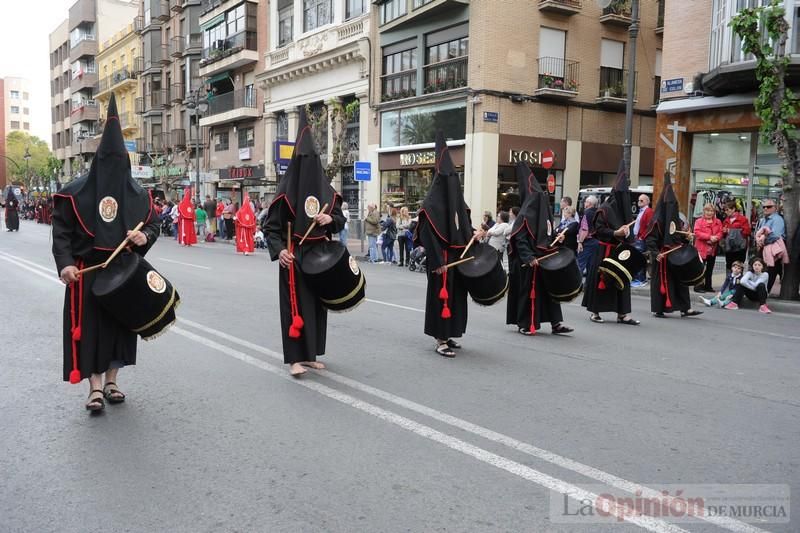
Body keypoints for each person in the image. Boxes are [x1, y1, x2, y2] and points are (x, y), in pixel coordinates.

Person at [51, 94, 161, 411]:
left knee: (120, 330)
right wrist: (65, 264)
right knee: (91, 330)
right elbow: (61, 232)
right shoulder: (76, 192)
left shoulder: (139, 195)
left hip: (124, 272)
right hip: (88, 271)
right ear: (98, 161)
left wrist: (143, 236)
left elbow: (152, 226)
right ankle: (95, 387)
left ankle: (112, 381)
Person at [264, 114, 346, 377]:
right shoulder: (285, 193)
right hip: (295, 254)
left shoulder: (327, 192)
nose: (309, 166)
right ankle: (294, 360)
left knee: (316, 306)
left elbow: (340, 221)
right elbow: (271, 228)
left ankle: (310, 355)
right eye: (304, 161)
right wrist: (281, 251)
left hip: (320, 254)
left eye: (313, 161)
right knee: (295, 306)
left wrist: (329, 218)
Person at [413, 131, 475, 358]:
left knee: (456, 298)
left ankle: (450, 334)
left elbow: (464, 227)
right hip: (441, 263)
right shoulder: (431, 206)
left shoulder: (459, 203)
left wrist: (474, 236)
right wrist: (438, 262)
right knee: (442, 300)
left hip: (457, 261)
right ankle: (440, 339)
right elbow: (429, 236)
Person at [507, 162, 574, 336]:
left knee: (550, 292)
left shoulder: (544, 216)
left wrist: (558, 240)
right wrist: (529, 258)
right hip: (529, 263)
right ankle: (525, 323)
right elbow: (520, 240)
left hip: (544, 259)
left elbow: (548, 238)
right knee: (528, 293)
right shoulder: (524, 216)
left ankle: (555, 323)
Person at [581, 162, 640, 325]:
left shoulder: (627, 211)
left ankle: (623, 314)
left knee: (622, 281)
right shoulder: (605, 209)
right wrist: (615, 233)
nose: (624, 198)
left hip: (621, 251)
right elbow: (598, 230)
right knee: (601, 280)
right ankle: (595, 311)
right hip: (604, 251)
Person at [645, 173, 703, 319]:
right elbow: (650, 239)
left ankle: (685, 308)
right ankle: (659, 308)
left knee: (681, 281)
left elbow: (677, 237)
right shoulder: (656, 220)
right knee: (661, 282)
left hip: (676, 256)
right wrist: (655, 252)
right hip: (662, 256)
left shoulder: (676, 219)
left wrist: (686, 238)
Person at [755, 199, 787, 293]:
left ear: (775, 208)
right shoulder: (763, 219)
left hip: (773, 251)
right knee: (760, 271)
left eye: (769, 207)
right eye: (764, 206)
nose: (765, 208)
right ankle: (760, 292)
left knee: (770, 272)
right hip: (763, 249)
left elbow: (776, 235)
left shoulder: (777, 219)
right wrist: (759, 241)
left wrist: (763, 240)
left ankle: (764, 293)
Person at [693, 203, 723, 292]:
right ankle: (698, 286)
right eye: (707, 210)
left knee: (710, 268)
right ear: (704, 211)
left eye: (711, 211)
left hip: (712, 249)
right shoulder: (698, 221)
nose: (709, 213)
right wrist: (709, 237)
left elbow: (720, 232)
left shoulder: (718, 222)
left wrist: (715, 238)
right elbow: (697, 233)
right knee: (700, 268)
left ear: (714, 212)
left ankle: (708, 286)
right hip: (701, 249)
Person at [630, 194, 653, 287]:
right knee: (637, 258)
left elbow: (649, 226)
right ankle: (638, 278)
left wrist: (642, 237)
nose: (639, 202)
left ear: (647, 202)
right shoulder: (642, 211)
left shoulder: (648, 211)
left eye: (642, 200)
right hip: (637, 238)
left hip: (641, 239)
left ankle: (641, 279)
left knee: (639, 258)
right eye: (639, 200)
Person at [721, 200, 750, 272]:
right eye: (725, 210)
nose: (726, 212)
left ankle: (737, 282)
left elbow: (747, 232)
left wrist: (731, 231)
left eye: (727, 209)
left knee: (739, 266)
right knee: (729, 265)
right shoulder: (726, 221)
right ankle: (729, 281)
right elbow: (724, 235)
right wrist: (724, 232)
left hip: (740, 248)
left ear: (733, 209)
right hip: (729, 248)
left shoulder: (743, 219)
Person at [576, 195, 599, 276]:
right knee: (591, 266)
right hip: (597, 241)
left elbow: (584, 229)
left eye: (585, 202)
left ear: (589, 203)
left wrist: (580, 242)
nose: (584, 203)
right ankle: (589, 287)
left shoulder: (587, 213)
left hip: (587, 242)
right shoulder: (598, 212)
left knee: (580, 264)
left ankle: (577, 287)